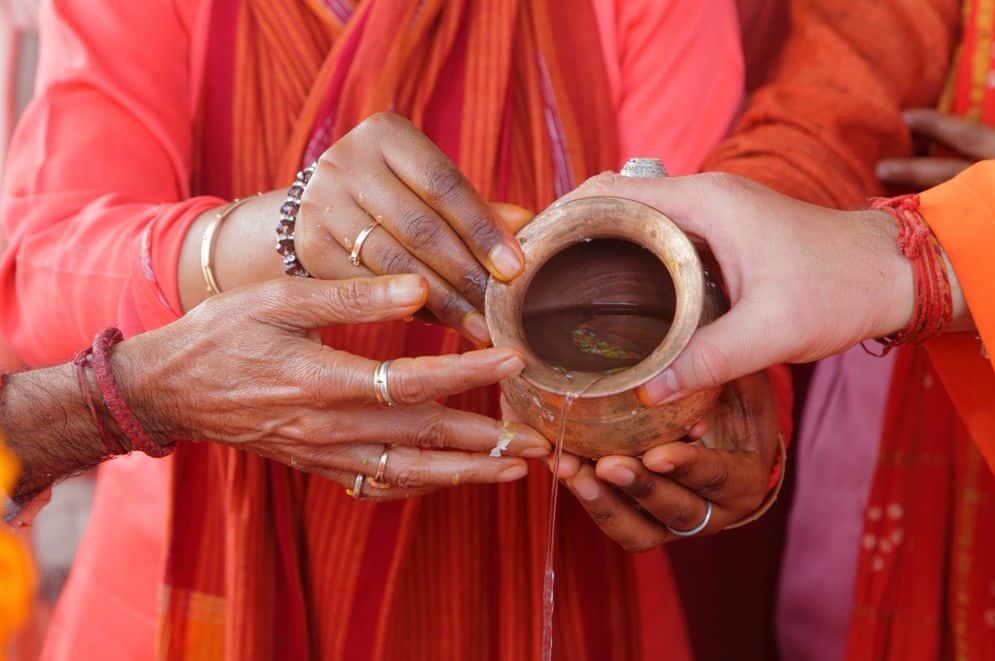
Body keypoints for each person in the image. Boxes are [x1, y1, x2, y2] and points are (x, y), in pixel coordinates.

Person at [1, 1, 782, 659]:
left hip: (564, 582)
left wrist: (729, 438)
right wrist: (274, 234)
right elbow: (36, 277)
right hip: (196, 594)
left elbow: (706, 271)